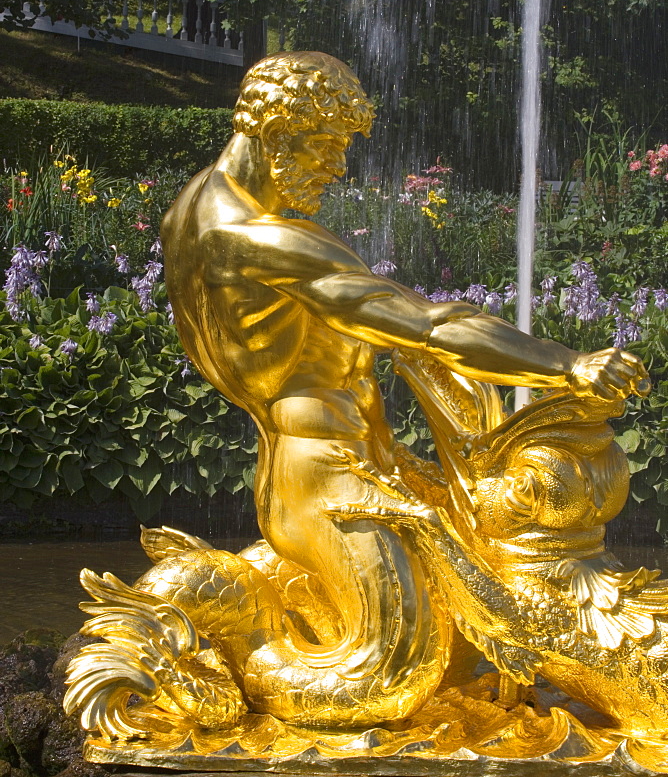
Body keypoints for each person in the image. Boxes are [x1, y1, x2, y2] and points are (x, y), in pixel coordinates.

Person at [161, 50, 647, 690]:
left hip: (329, 465)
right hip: (328, 483)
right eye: (326, 147)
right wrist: (567, 364)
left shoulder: (192, 206)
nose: (337, 168)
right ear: (276, 135)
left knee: (466, 627)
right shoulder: (256, 239)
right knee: (396, 671)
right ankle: (224, 671)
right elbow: (428, 326)